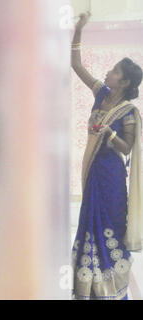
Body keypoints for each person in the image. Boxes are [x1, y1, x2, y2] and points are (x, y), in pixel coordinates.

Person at [70, 11, 143, 300]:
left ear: (124, 82)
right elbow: (75, 64)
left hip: (112, 177)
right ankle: (89, 288)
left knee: (111, 226)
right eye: (111, 69)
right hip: (93, 175)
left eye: (114, 72)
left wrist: (108, 134)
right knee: (89, 224)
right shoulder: (101, 93)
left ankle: (112, 288)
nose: (109, 73)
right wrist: (79, 29)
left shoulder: (128, 111)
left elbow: (127, 148)